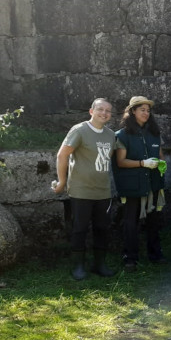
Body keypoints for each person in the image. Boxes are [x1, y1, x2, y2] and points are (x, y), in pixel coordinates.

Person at [53, 98, 116, 280]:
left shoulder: (111, 135)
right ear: (91, 111)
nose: (104, 113)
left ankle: (99, 264)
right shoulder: (79, 130)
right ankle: (78, 266)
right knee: (80, 229)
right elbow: (62, 155)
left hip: (103, 191)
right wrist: (62, 181)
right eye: (100, 109)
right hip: (81, 190)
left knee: (102, 228)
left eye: (108, 111)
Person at [114, 96, 166, 272]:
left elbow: (160, 155)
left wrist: (161, 164)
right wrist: (142, 163)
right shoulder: (122, 135)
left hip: (152, 183)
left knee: (154, 220)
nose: (146, 113)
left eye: (148, 110)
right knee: (130, 222)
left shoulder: (154, 133)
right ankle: (130, 258)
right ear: (133, 111)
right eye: (142, 109)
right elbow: (121, 161)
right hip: (132, 185)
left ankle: (155, 254)